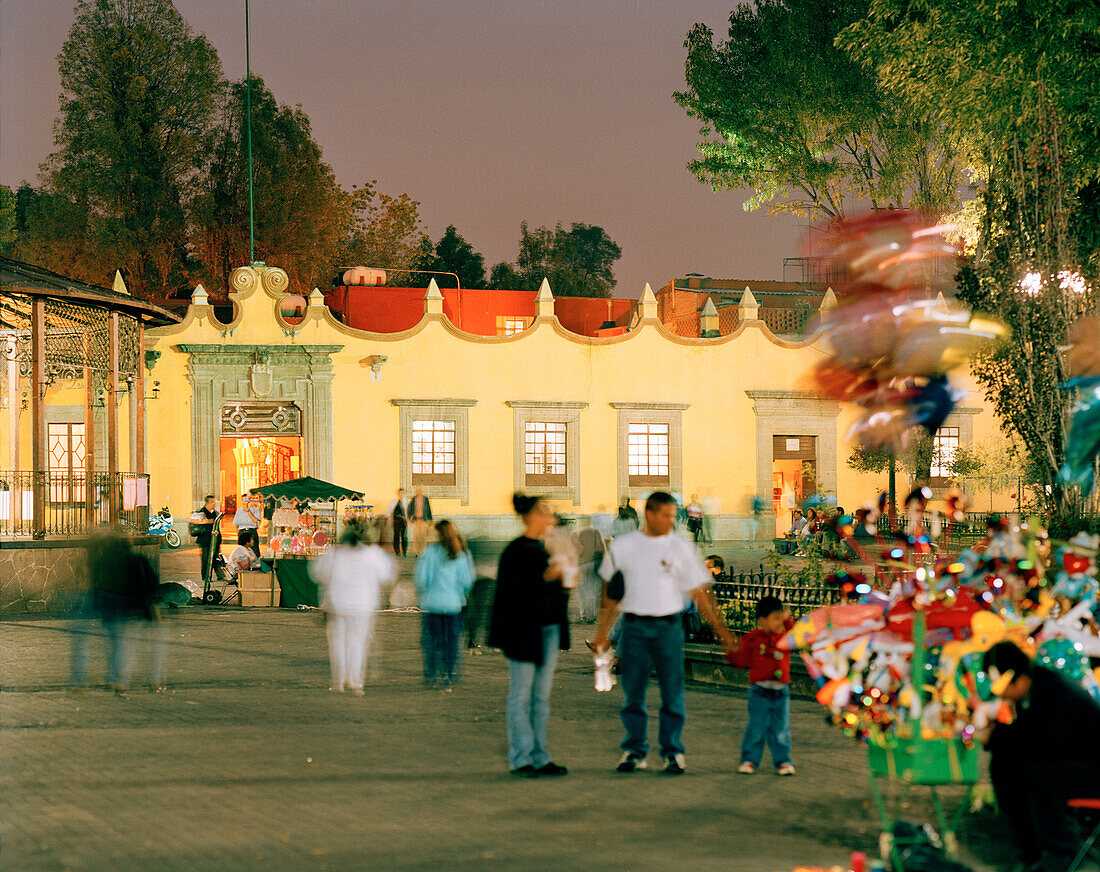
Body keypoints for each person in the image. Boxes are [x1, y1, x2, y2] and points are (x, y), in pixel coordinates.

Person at [592, 491, 736, 775]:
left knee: (672, 692)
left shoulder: (680, 548)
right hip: (634, 627)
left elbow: (699, 592)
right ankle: (634, 750)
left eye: (673, 516)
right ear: (650, 514)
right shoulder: (624, 546)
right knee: (633, 692)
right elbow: (610, 590)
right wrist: (603, 631)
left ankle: (673, 752)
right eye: (667, 515)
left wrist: (721, 630)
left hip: (669, 627)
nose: (672, 521)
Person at [979, 641, 1100, 872]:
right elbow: (1029, 737)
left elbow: (1045, 745)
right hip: (1073, 766)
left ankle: (1059, 853)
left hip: (1093, 771)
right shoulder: (1037, 688)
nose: (1003, 695)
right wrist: (998, 738)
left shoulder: (1051, 689)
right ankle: (1031, 851)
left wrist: (997, 736)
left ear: (1016, 677)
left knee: (1039, 774)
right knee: (1005, 765)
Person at [488, 493, 570, 778]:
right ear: (532, 516)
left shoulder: (544, 549)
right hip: (523, 634)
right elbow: (515, 594)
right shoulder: (516, 550)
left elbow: (550, 592)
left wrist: (563, 582)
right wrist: (549, 577)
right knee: (521, 695)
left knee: (540, 698)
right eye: (545, 512)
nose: (550, 518)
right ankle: (521, 757)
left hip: (547, 631)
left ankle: (540, 756)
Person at [309, 520, 396, 695]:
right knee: (357, 644)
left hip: (337, 605)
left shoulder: (334, 554)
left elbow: (316, 573)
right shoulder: (372, 554)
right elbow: (388, 575)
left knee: (337, 644)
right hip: (363, 606)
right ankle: (355, 681)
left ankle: (338, 682)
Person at [728, 595, 797, 775]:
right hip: (759, 691)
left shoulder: (785, 637)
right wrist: (731, 653)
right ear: (762, 620)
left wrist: (786, 619)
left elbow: (798, 633)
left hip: (780, 691)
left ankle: (783, 761)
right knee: (756, 727)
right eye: (775, 618)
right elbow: (741, 660)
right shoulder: (753, 638)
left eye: (780, 618)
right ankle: (749, 759)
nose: (778, 622)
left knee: (781, 728)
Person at [87, 529, 158, 697]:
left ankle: (113, 677)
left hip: (110, 609)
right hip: (132, 609)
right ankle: (121, 680)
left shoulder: (103, 560)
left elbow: (96, 584)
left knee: (115, 644)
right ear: (129, 544)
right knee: (127, 646)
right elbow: (152, 583)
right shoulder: (138, 560)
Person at [414, 520, 475, 688]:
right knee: (452, 642)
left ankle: (431, 675)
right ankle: (448, 674)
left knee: (433, 641)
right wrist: (460, 594)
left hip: (433, 604)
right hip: (454, 605)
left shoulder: (430, 552)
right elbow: (467, 580)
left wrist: (426, 594)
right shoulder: (460, 554)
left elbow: (421, 578)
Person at [574, 520, 605, 623]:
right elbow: (602, 548)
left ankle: (583, 615)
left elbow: (579, 550)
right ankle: (593, 616)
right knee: (594, 591)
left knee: (582, 591)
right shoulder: (596, 532)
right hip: (596, 564)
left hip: (583, 564)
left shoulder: (577, 533)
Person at [192, 495, 219, 583]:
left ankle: (220, 575)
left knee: (216, 557)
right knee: (206, 558)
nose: (214, 503)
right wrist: (206, 521)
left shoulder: (214, 512)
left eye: (214, 501)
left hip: (214, 539)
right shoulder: (202, 512)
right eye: (212, 502)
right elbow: (192, 520)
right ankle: (206, 576)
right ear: (206, 503)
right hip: (205, 539)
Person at [409, 486, 433, 556]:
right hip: (416, 520)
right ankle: (416, 552)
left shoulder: (425, 499)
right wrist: (410, 517)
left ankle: (423, 552)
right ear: (416, 491)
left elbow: (429, 509)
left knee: (423, 537)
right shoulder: (413, 499)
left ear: (422, 491)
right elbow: (410, 509)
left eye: (419, 490)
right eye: (417, 490)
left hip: (423, 520)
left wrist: (430, 520)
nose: (418, 491)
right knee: (416, 537)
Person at [387, 488, 409, 557]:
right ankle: (397, 552)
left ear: (404, 494)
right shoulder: (393, 502)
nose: (401, 494)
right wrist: (388, 519)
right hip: (396, 521)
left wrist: (408, 520)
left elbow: (408, 512)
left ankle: (404, 551)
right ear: (398, 493)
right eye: (400, 493)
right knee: (396, 537)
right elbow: (389, 511)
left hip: (404, 521)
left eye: (402, 493)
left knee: (404, 537)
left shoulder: (406, 502)